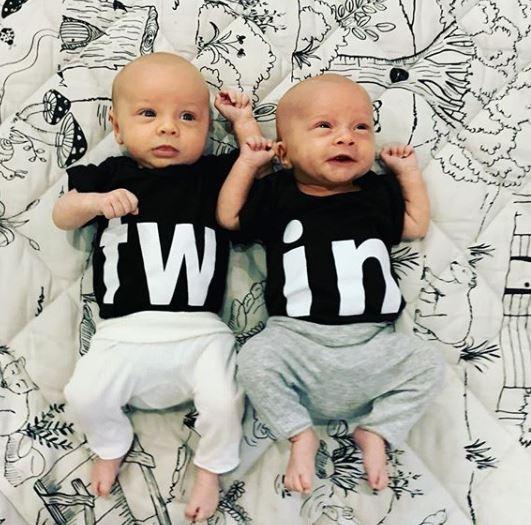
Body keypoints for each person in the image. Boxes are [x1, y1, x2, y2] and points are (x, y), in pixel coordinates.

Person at [52, 52, 261, 522]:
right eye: (148, 113)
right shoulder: (107, 174)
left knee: (225, 401)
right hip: (122, 334)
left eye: (188, 117)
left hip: (200, 332)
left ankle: (210, 468)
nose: (168, 128)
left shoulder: (210, 176)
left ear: (207, 127)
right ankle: (111, 443)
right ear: (117, 126)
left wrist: (243, 122)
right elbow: (63, 214)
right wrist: (96, 202)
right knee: (83, 394)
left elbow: (255, 162)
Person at [216, 73, 444, 495]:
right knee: (254, 359)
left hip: (372, 344)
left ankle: (377, 431)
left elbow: (414, 225)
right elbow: (229, 217)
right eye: (325, 126)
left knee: (428, 361)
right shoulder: (278, 194)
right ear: (284, 153)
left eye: (361, 127)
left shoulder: (375, 192)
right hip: (296, 342)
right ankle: (299, 434)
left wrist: (408, 173)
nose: (346, 138)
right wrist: (246, 161)